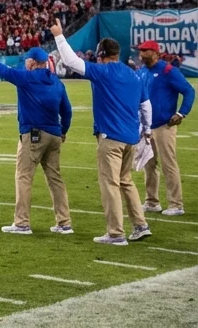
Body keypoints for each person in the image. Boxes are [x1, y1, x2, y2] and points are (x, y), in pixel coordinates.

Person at [51, 22, 152, 246]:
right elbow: (146, 106)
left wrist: (59, 36)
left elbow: (71, 61)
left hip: (111, 138)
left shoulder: (104, 72)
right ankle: (140, 225)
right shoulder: (134, 75)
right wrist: (147, 130)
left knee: (110, 184)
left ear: (102, 55)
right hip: (131, 138)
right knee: (126, 181)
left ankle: (116, 233)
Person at [0, 38, 74, 235]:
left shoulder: (26, 78)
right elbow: (67, 111)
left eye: (28, 60)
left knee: (24, 176)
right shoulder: (57, 82)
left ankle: (22, 223)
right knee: (55, 179)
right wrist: (63, 130)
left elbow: (0, 69)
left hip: (33, 135)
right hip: (54, 135)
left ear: (33, 62)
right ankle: (64, 222)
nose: (25, 62)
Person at [136, 40, 193, 216]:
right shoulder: (141, 71)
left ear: (155, 53)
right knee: (148, 164)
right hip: (146, 126)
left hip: (164, 125)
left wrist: (181, 113)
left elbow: (189, 91)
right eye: (140, 50)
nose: (141, 54)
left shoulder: (168, 71)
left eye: (145, 50)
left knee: (169, 164)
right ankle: (152, 201)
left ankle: (176, 204)